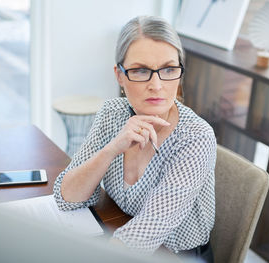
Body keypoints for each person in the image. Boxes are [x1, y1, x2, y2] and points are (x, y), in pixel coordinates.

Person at [53, 15, 216, 262]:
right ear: (120, 75)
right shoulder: (112, 113)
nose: (157, 85)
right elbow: (67, 197)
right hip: (118, 230)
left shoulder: (195, 137)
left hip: (178, 256)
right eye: (140, 71)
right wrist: (111, 150)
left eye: (169, 69)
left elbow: (149, 230)